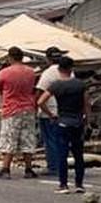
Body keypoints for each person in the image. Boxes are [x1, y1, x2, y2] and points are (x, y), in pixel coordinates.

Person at [42, 56, 91, 194]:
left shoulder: (56, 85)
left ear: (59, 69)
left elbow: (40, 101)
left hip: (62, 122)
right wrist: (87, 119)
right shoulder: (81, 85)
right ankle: (79, 184)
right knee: (78, 155)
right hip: (77, 122)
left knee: (62, 154)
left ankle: (63, 185)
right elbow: (87, 104)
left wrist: (51, 115)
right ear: (71, 68)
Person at [0, 47, 38, 179]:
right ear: (22, 57)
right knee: (27, 139)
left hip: (11, 109)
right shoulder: (31, 72)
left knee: (9, 139)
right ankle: (29, 169)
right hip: (28, 108)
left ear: (10, 58)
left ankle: (5, 169)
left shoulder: (4, 73)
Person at [36, 46, 67, 180]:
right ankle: (61, 165)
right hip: (65, 110)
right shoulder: (68, 71)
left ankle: (54, 167)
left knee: (51, 140)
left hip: (50, 111)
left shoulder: (48, 73)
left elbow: (39, 93)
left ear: (48, 59)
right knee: (62, 140)